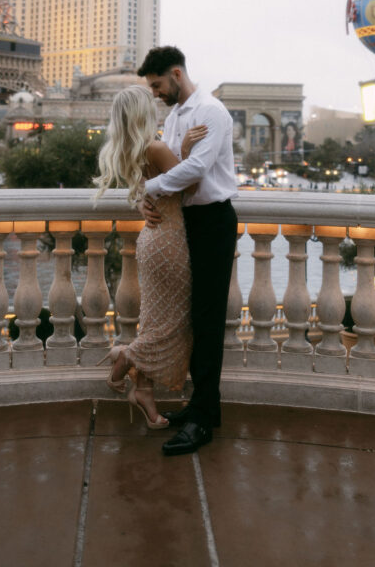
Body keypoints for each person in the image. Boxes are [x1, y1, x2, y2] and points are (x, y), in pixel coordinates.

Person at [137, 45, 238, 457]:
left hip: (213, 221)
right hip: (185, 222)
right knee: (191, 316)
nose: (156, 93)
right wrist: (153, 198)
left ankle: (201, 419)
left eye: (158, 85)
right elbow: (174, 167)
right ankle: (201, 408)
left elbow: (194, 171)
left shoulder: (211, 112)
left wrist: (151, 189)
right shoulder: (177, 117)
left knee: (207, 318)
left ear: (176, 74)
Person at [93, 85, 203, 429]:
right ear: (143, 114)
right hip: (170, 241)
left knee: (157, 320)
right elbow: (192, 187)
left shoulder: (131, 150)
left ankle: (143, 390)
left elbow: (152, 189)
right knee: (174, 323)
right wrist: (184, 152)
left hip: (152, 240)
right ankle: (126, 355)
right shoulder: (155, 148)